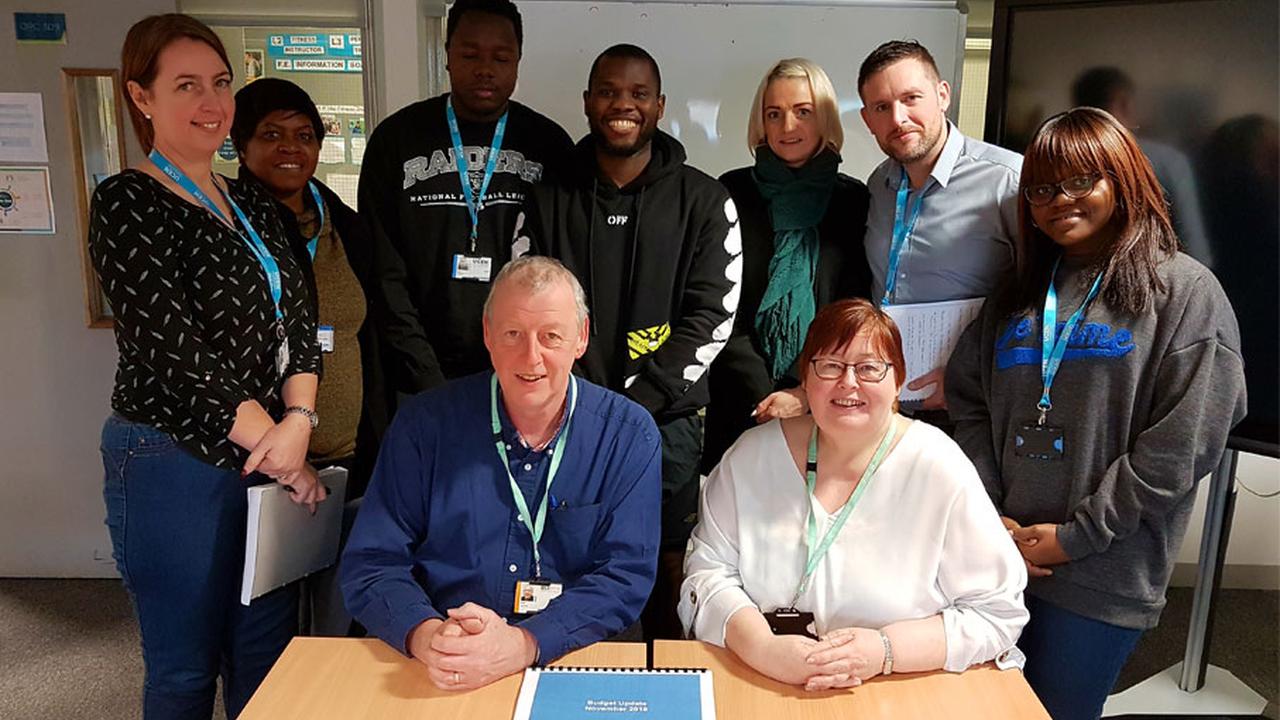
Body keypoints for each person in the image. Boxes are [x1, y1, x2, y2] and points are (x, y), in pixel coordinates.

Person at [945, 107, 1247, 720]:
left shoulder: (1183, 292)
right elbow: (969, 404)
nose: (1060, 200)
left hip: (1102, 574)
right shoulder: (1016, 295)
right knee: (978, 708)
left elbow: (1181, 446)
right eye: (1043, 188)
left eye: (1082, 180)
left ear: (1122, 177)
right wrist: (991, 513)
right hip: (997, 558)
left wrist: (1078, 536)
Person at [90, 14, 326, 719]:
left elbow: (300, 321)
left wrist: (300, 419)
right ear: (142, 97)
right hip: (173, 460)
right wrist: (281, 448)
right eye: (186, 84)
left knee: (264, 657)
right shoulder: (126, 201)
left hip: (267, 456)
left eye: (220, 83)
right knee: (185, 669)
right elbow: (173, 349)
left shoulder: (247, 197)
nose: (211, 102)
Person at [340, 256, 661, 691]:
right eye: (513, 334)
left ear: (580, 338)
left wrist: (525, 642)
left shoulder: (627, 434)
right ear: (488, 334)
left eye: (551, 336)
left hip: (574, 656)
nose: (532, 357)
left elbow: (626, 577)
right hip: (445, 656)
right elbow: (373, 562)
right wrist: (425, 635)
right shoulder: (424, 426)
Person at [679, 298, 1027, 691]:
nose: (848, 383)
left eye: (869, 368)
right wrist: (763, 647)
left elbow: (996, 612)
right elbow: (709, 572)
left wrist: (884, 651)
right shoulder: (752, 456)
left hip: (903, 686)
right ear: (805, 380)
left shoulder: (939, 466)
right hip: (762, 679)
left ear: (898, 381)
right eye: (830, 366)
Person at [515, 44, 741, 639]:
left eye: (638, 94)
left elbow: (711, 316)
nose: (623, 105)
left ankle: (666, 677)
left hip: (668, 426)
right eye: (610, 92)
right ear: (588, 102)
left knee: (667, 557)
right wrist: (581, 405)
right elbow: (526, 304)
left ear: (659, 106)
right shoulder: (545, 199)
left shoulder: (706, 200)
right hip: (563, 420)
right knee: (568, 556)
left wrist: (636, 405)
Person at [231, 77, 394, 635]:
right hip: (265, 459)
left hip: (349, 456)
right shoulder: (230, 225)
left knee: (340, 612)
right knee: (263, 622)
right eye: (271, 134)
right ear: (241, 142)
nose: (290, 148)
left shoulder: (345, 225)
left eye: (304, 135)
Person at [359, 0, 573, 401]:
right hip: (413, 373)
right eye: (470, 54)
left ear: (518, 62)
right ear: (447, 56)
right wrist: (424, 374)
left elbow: (560, 267)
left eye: (501, 57)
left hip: (520, 370)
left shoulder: (551, 145)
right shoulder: (395, 140)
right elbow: (383, 270)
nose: (485, 69)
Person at [703, 58, 871, 474]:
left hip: (827, 401)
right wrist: (769, 397)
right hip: (744, 402)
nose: (787, 126)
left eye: (803, 112)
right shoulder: (731, 191)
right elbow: (720, 302)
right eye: (773, 114)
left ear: (826, 118)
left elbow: (853, 307)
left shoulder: (855, 201)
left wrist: (806, 392)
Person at [858, 40, 1022, 411]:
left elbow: (1045, 295)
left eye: (911, 98)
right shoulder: (878, 185)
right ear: (868, 119)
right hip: (891, 400)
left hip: (975, 402)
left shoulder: (1007, 181)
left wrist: (971, 375)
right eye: (882, 107)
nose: (898, 119)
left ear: (943, 95)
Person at [1071, 66, 1212, 265]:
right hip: (1155, 281)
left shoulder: (1059, 159)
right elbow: (1195, 246)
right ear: (1125, 103)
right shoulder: (1168, 162)